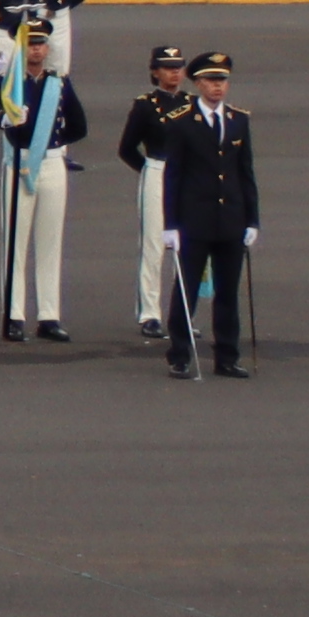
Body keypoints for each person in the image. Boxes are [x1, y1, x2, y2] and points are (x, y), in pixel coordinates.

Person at [159, 51, 259, 376]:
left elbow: (245, 173)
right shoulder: (182, 122)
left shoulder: (238, 120)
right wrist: (171, 224)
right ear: (199, 83)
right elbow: (173, 175)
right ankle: (180, 354)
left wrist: (251, 219)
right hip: (194, 221)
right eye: (212, 81)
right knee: (186, 290)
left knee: (228, 292)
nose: (218, 87)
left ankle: (227, 356)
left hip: (230, 219)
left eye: (223, 81)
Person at [0, 14, 83, 341]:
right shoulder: (8, 81)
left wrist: (52, 144)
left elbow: (78, 125)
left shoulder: (58, 81)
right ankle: (14, 314)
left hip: (52, 160)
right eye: (31, 44)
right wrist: (7, 121)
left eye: (41, 44)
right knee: (15, 241)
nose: (37, 50)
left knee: (49, 241)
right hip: (19, 159)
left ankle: (48, 315)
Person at [115, 40, 192, 338]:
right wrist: (148, 170)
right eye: (167, 68)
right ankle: (150, 313)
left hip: (187, 175)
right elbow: (127, 148)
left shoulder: (192, 103)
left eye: (178, 67)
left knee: (187, 246)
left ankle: (183, 312)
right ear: (155, 72)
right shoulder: (146, 106)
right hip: (158, 170)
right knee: (153, 244)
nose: (174, 73)